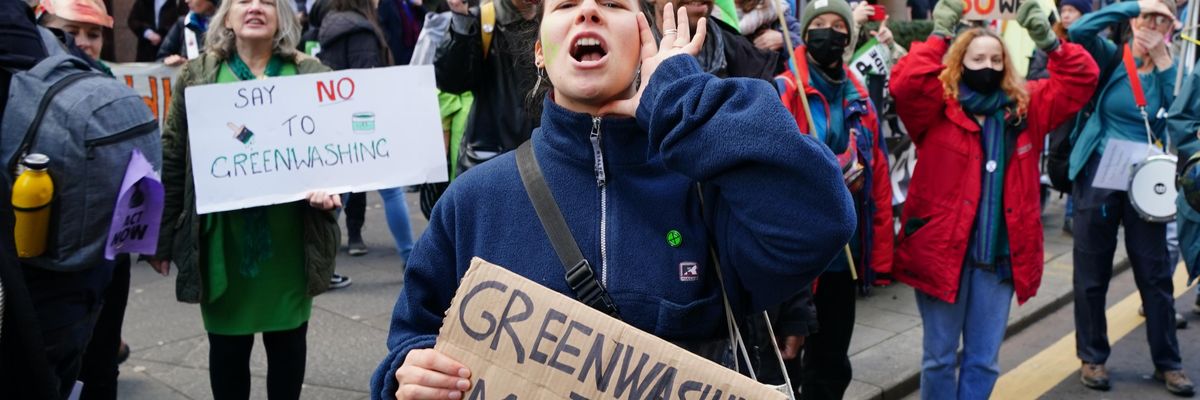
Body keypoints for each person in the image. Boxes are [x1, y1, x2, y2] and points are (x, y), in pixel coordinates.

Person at [370, 1, 858, 398]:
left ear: (643, 44)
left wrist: (681, 99)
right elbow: (412, 338)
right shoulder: (472, 201)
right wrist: (407, 374)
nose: (588, 12)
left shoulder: (705, 193)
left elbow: (822, 220)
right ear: (541, 51)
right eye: (565, 5)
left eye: (612, 4)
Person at [890, 0, 1099, 397]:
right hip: (941, 254)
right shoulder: (937, 106)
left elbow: (1081, 79)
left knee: (983, 360)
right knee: (938, 357)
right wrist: (939, 32)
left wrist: (1049, 42)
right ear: (958, 61)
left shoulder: (1026, 106)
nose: (987, 65)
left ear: (1007, 64)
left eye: (995, 58)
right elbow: (905, 83)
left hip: (999, 260)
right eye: (976, 57)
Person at [150, 0, 341, 396]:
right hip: (222, 246)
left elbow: (337, 151)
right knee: (227, 351)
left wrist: (333, 189)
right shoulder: (198, 75)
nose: (256, 7)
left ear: (281, 18)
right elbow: (173, 155)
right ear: (228, 16)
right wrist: (162, 235)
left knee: (288, 348)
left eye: (267, 1)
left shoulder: (310, 74)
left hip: (290, 243)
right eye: (244, 0)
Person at [1064, 0, 1192, 394]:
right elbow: (1079, 31)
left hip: (1149, 186)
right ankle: (1093, 358)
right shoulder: (1110, 56)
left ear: (1172, 26)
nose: (1151, 25)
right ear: (1132, 20)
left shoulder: (1175, 69)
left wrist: (1166, 62)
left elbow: (1182, 120)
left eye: (1161, 18)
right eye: (1146, 17)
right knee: (1091, 275)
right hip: (1100, 175)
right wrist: (1133, 5)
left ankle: (1167, 363)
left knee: (1155, 275)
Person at [771, 0, 893, 397]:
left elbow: (879, 177)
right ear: (804, 34)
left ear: (848, 36)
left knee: (832, 363)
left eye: (837, 26)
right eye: (818, 24)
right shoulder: (785, 90)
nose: (828, 32)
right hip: (799, 255)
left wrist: (880, 258)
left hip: (844, 255)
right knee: (788, 364)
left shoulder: (860, 98)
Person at [316, 0, 416, 285]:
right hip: (362, 123)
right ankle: (411, 260)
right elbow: (366, 82)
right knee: (392, 191)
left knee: (339, 195)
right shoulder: (360, 29)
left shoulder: (333, 21)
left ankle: (316, 260)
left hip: (340, 122)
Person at [434, 0, 540, 176]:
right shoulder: (483, 20)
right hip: (491, 160)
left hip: (545, 157)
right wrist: (461, 21)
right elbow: (451, 82)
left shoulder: (556, 19)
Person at [158, 0, 218, 65]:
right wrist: (171, 60)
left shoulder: (227, 25)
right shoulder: (183, 24)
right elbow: (161, 58)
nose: (187, 1)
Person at [377, 0, 424, 65]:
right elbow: (381, 26)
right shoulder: (386, 2)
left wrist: (420, 6)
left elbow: (425, 19)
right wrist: (391, 43)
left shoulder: (410, 2)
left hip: (416, 48)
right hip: (399, 51)